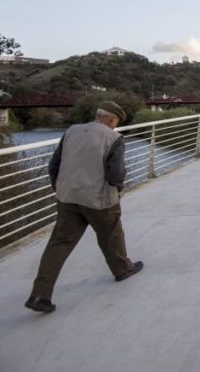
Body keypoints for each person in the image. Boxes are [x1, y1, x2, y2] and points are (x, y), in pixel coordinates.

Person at [25, 101, 143, 313]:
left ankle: (39, 295)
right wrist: (118, 189)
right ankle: (122, 269)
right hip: (98, 199)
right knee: (111, 234)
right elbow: (115, 173)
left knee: (59, 243)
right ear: (112, 120)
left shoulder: (71, 131)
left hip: (68, 197)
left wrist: (60, 189)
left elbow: (54, 165)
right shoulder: (113, 138)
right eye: (116, 122)